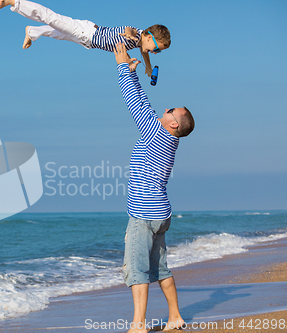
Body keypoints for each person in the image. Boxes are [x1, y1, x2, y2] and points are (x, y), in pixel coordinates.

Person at [114, 42, 194, 332]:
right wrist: (133, 73)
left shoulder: (157, 134)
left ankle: (138, 325)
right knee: (160, 268)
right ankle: (175, 317)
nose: (165, 108)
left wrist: (123, 67)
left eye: (171, 109)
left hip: (145, 215)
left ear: (173, 124)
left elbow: (136, 105)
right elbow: (144, 106)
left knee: (137, 270)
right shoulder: (166, 137)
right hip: (160, 214)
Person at [0, 0, 170, 77]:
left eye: (158, 52)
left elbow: (143, 50)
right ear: (149, 36)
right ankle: (15, 2)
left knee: (58, 34)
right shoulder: (137, 35)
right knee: (51, 18)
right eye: (156, 48)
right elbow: (130, 31)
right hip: (87, 32)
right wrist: (128, 34)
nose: (154, 52)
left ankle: (32, 32)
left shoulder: (142, 41)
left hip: (87, 41)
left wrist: (148, 66)